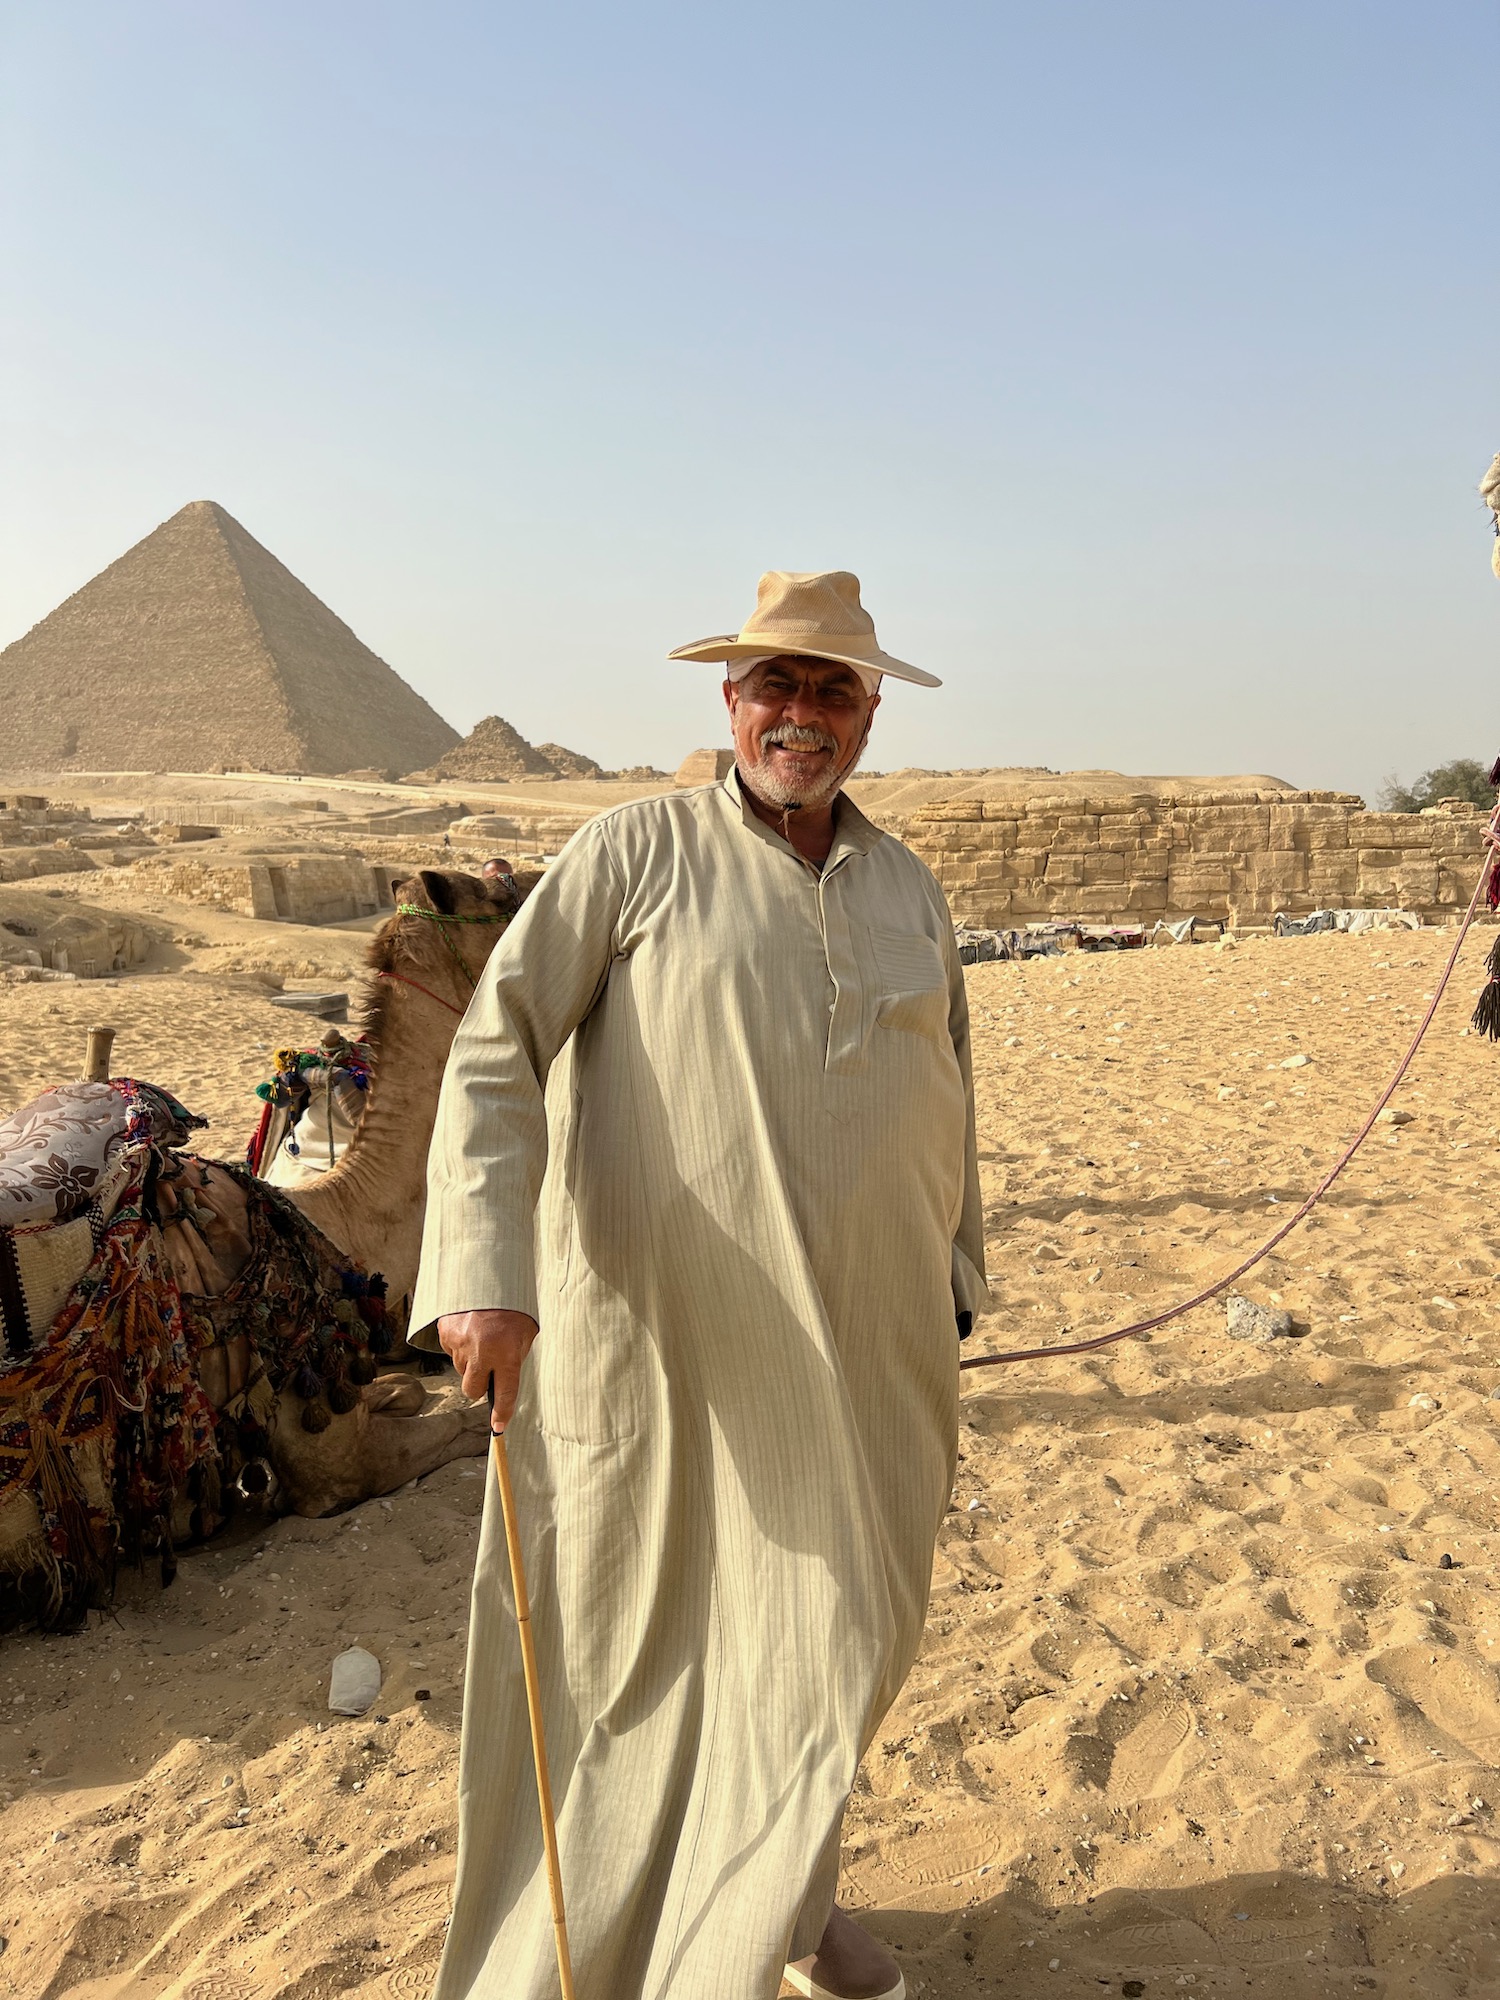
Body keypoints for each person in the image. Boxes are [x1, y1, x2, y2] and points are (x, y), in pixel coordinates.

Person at [411, 569, 988, 2000]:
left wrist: (959, 1273)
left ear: (868, 715)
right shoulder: (631, 853)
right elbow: (495, 1057)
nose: (801, 713)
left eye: (832, 689)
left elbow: (951, 1090)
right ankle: (629, 1947)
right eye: (774, 686)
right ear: (729, 702)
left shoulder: (908, 887)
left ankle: (787, 1899)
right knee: (640, 1649)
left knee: (846, 1638)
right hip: (666, 1346)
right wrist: (484, 1272)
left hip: (874, 1343)